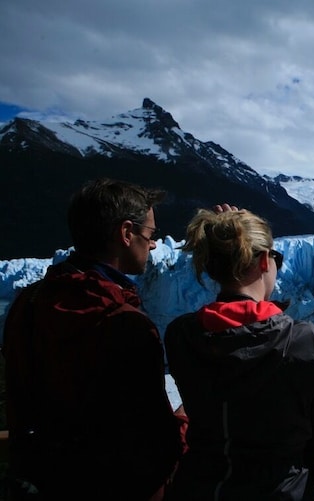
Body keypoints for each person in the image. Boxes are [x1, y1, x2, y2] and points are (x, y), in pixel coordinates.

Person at [2, 177, 186, 500]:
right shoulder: (126, 324)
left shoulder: (27, 303)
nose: (155, 244)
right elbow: (155, 443)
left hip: (42, 483)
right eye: (151, 234)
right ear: (126, 234)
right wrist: (187, 419)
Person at [163, 205, 314, 500]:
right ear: (263, 261)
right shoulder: (303, 342)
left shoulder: (182, 335)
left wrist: (227, 229)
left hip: (198, 490)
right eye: (276, 257)